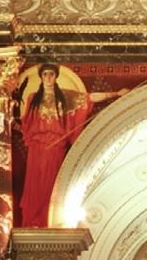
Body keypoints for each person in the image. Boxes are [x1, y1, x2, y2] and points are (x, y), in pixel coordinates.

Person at [14, 64, 90, 226]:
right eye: (45, 74)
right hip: (36, 148)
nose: (48, 78)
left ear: (56, 77)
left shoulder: (66, 98)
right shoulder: (32, 98)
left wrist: (114, 94)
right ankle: (32, 221)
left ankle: (49, 219)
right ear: (41, 77)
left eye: (51, 74)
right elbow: (27, 124)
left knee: (51, 184)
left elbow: (88, 98)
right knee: (35, 184)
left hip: (56, 147)